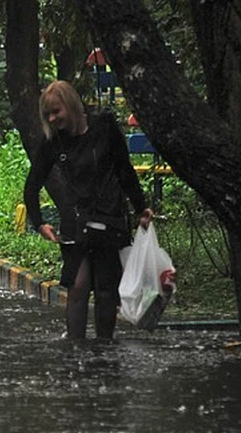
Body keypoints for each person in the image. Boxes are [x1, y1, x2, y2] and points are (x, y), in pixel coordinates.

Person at [23, 80, 153, 339]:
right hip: (76, 220)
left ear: (70, 106)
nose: (52, 118)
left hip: (109, 217)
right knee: (79, 286)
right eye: (47, 114)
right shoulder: (54, 143)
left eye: (56, 111)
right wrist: (39, 223)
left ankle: (105, 347)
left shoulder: (104, 128)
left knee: (106, 289)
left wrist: (141, 208)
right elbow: (32, 186)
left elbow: (124, 170)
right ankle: (75, 349)